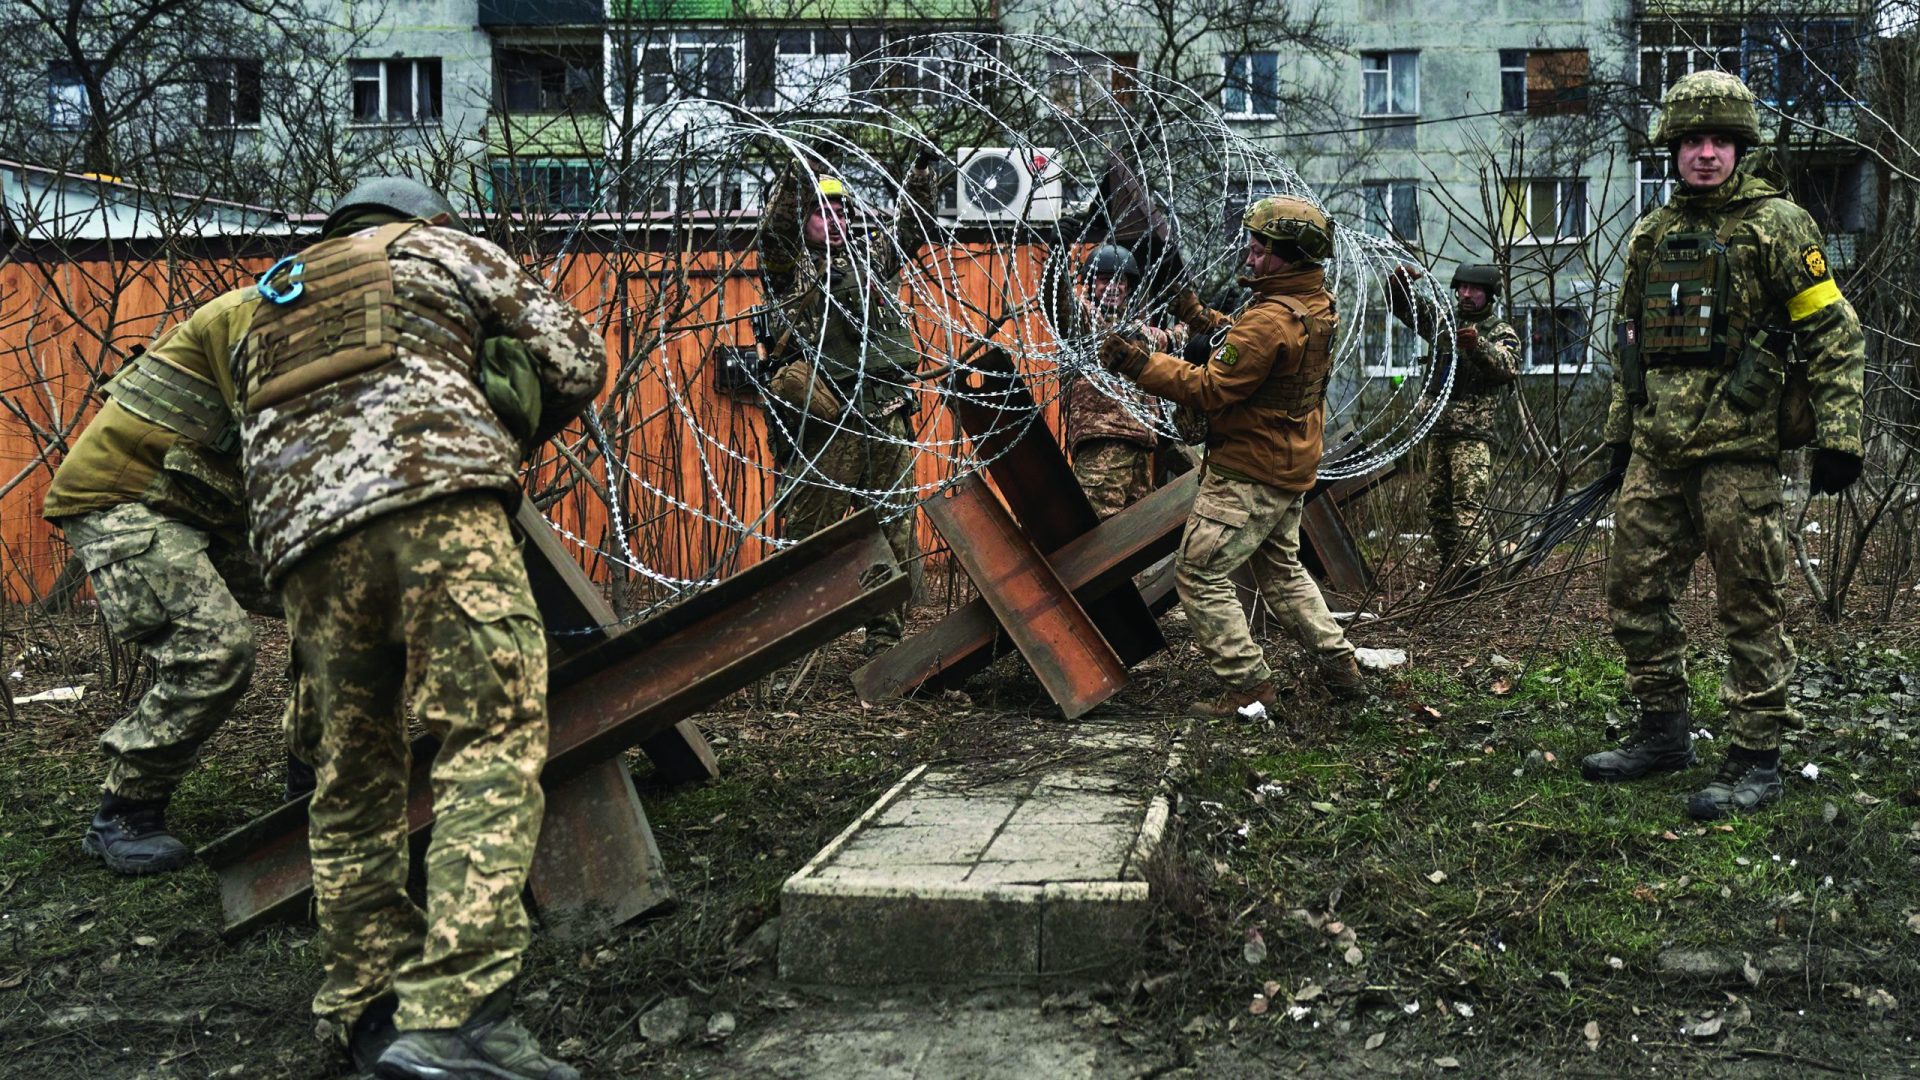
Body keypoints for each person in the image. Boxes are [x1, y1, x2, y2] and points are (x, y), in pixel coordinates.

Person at [235, 177, 606, 1078]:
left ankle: (367, 1023)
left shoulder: (267, 304)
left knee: (351, 776)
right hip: (436, 501)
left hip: (306, 546)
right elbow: (576, 357)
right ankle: (456, 1017)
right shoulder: (435, 247)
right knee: (487, 731)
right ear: (424, 217)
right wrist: (506, 415)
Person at [1580, 71, 1865, 820]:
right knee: (1633, 594)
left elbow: (1833, 334)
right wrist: (1618, 441)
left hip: (1739, 453)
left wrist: (1840, 435)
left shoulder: (1780, 226)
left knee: (1750, 605)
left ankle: (1756, 758)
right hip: (1658, 450)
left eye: (1720, 142)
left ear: (1741, 148)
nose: (1705, 154)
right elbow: (1629, 347)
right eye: (1692, 141)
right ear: (1672, 149)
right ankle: (1663, 733)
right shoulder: (1652, 233)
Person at [41, 284, 305, 876]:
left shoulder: (349, 319)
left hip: (198, 500)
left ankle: (314, 774)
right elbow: (284, 436)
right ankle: (126, 811)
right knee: (216, 648)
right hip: (125, 496)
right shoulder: (260, 312)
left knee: (340, 602)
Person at [1100, 196, 1365, 715]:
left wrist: (1139, 364)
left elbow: (1211, 387)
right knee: (1283, 573)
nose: (1250, 253)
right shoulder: (1312, 304)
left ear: (1289, 256)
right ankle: (1341, 666)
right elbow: (1247, 347)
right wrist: (1197, 316)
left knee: (1199, 573)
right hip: (1286, 463)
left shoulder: (1269, 321)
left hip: (1248, 471)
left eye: (1262, 248)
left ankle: (1248, 684)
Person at [758, 163, 934, 653]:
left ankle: (885, 641)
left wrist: (921, 171)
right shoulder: (788, 269)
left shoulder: (866, 261)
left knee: (894, 529)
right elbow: (776, 229)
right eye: (820, 210)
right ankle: (790, 643)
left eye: (839, 208)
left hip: (884, 412)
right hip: (828, 424)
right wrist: (800, 168)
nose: (833, 217)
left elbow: (911, 227)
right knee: (809, 537)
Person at [1387, 263, 1522, 575]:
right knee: (1438, 508)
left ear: (1489, 295)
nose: (1466, 294)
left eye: (1474, 289)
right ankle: (1453, 570)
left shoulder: (1500, 332)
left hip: (1471, 437)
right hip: (1439, 431)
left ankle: (1475, 576)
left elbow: (1508, 366)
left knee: (1467, 509)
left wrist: (1477, 346)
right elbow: (1410, 310)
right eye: (1461, 288)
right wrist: (1399, 284)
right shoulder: (1445, 324)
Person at [1062, 244, 1178, 519]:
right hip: (1104, 443)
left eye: (1121, 280)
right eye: (1105, 279)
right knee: (1100, 527)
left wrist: (1210, 319)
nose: (1114, 287)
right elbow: (1060, 302)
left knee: (1137, 535)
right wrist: (1057, 257)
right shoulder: (1086, 321)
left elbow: (1174, 338)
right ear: (1091, 283)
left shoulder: (1138, 331)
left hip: (1139, 447)